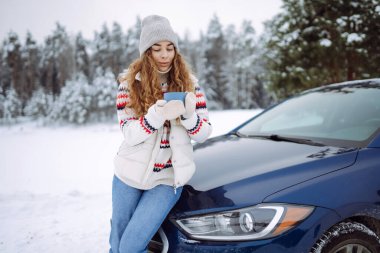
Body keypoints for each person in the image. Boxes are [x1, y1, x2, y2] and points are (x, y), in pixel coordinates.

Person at [109, 15, 212, 253]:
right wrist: (155, 115)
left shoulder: (190, 85)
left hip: (167, 178)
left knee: (130, 246)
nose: (165, 55)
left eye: (169, 48)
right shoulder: (128, 85)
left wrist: (188, 116)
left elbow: (203, 133)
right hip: (128, 174)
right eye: (157, 49)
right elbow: (130, 134)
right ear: (147, 52)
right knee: (117, 244)